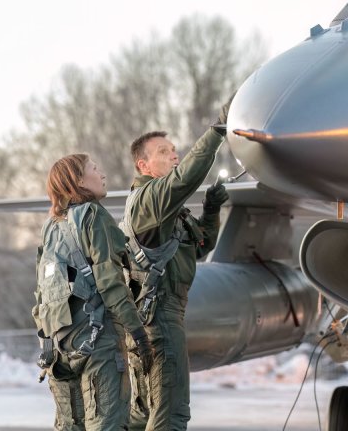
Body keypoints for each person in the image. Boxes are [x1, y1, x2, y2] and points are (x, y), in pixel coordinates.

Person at [123, 100, 231, 431]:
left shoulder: (169, 213)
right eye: (164, 152)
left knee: (144, 416)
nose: (174, 155)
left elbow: (199, 248)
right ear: (144, 165)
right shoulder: (149, 201)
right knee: (170, 415)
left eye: (175, 150)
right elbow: (184, 180)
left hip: (149, 323)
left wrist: (211, 211)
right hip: (160, 322)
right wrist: (217, 131)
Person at [33, 154, 153, 431]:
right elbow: (111, 283)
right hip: (98, 342)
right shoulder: (93, 216)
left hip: (59, 348)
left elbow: (40, 293)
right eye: (95, 169)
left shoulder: (50, 228)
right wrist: (137, 334)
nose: (102, 174)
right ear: (78, 181)